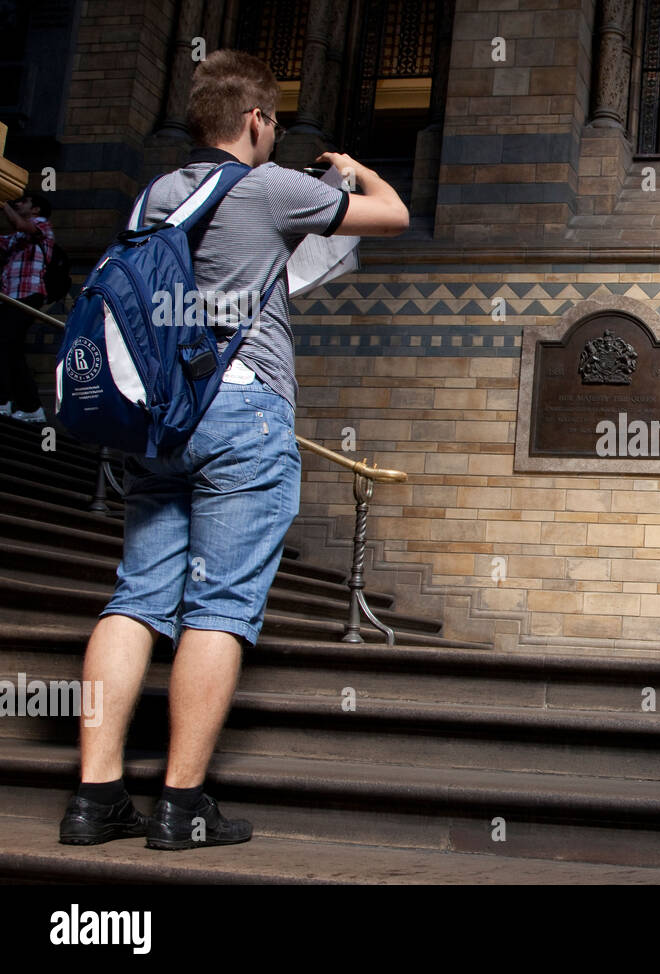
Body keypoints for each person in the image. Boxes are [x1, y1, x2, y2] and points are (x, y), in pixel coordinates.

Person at [58, 49, 408, 850]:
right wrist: (351, 168)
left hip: (160, 421)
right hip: (243, 413)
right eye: (275, 121)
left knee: (136, 599)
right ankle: (181, 809)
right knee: (217, 608)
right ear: (256, 120)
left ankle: (94, 800)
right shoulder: (272, 186)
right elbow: (391, 216)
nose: (276, 133)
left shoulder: (157, 194)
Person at [0, 192, 55, 422]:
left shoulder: (42, 225)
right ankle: (31, 407)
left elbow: (19, 223)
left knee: (3, 344)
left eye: (24, 201)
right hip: (10, 297)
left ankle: (3, 401)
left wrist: (3, 203)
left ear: (35, 210)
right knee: (11, 349)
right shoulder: (14, 237)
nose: (18, 204)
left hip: (27, 295)